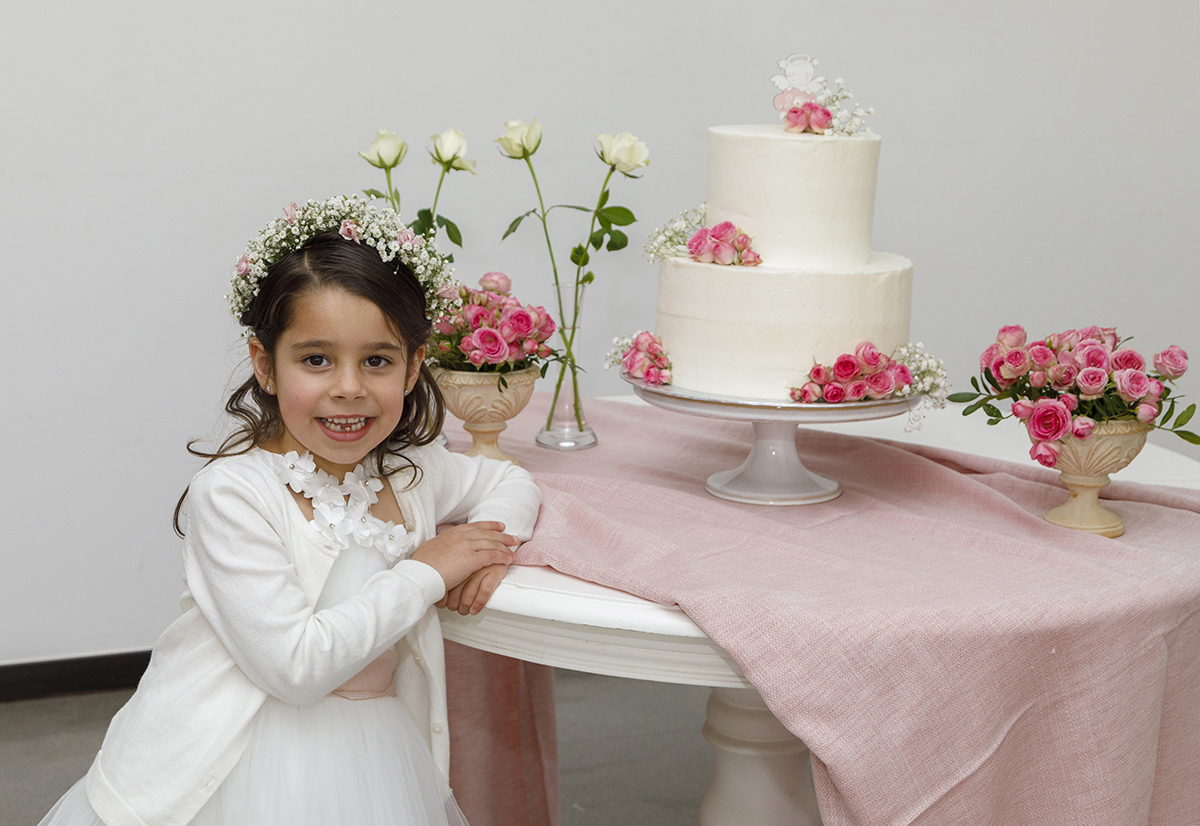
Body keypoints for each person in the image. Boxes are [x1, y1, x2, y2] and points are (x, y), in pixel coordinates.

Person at [38, 195, 541, 826]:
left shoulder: (410, 471)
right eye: (316, 359)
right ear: (264, 364)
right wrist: (428, 570)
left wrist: (491, 548)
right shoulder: (234, 495)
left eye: (377, 360)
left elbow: (510, 480)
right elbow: (297, 668)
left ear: (415, 367)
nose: (349, 387)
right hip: (226, 761)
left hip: (373, 757)